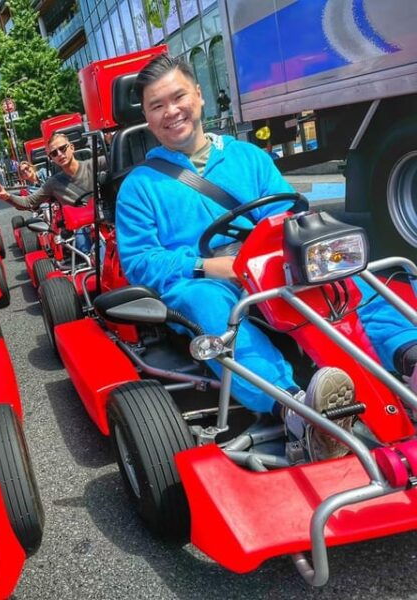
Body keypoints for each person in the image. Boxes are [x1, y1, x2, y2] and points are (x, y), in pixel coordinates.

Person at [116, 52, 417, 461]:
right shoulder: (139, 187)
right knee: (207, 303)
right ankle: (298, 412)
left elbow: (287, 215)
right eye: (157, 105)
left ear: (199, 96)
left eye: (178, 97)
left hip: (267, 262)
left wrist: (297, 245)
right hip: (203, 278)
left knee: (342, 270)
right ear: (148, 118)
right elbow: (140, 260)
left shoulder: (248, 158)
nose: (171, 111)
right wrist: (206, 266)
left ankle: (408, 356)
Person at [0, 133, 102, 252]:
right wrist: (7, 196)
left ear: (71, 147)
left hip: (106, 217)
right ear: (52, 158)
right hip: (80, 225)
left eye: (62, 148)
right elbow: (29, 202)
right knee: (87, 250)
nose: (59, 154)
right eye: (54, 153)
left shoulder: (96, 164)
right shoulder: (53, 183)